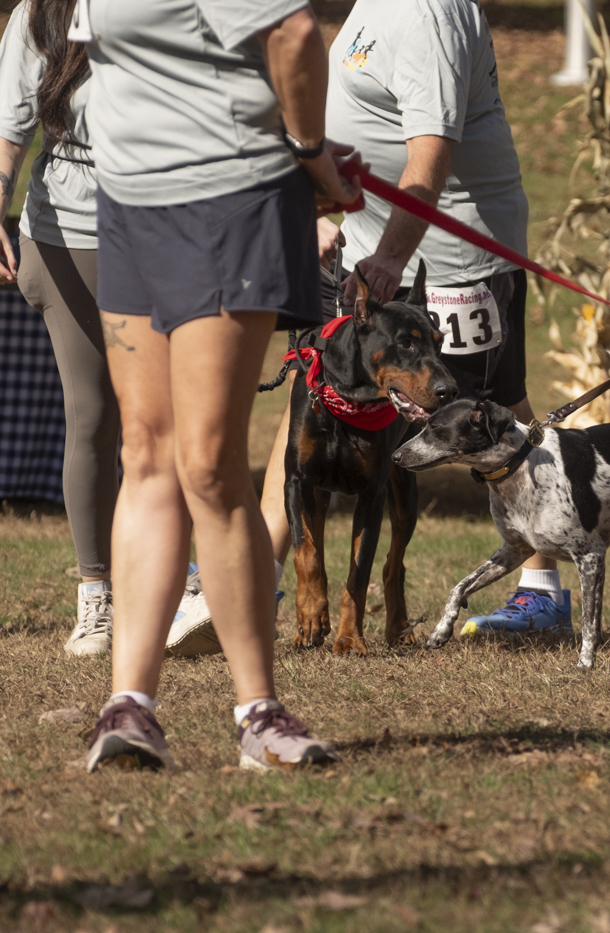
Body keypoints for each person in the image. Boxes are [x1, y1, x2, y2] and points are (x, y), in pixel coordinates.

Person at [78, 0, 361, 772]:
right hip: (128, 203)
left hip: (227, 200)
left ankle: (258, 713)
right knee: (145, 452)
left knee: (207, 462)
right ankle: (129, 706)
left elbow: (293, 33)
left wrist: (308, 154)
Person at [257, 0, 572, 637]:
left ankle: (543, 590)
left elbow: (430, 157)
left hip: (448, 263)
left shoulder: (429, 14)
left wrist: (392, 258)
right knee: (310, 392)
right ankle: (254, 576)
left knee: (496, 418)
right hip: (365, 253)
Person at [0, 0, 213, 659]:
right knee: (94, 415)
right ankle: (98, 597)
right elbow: (10, 127)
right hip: (70, 237)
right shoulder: (40, 14)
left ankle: (184, 579)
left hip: (169, 228)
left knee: (176, 417)